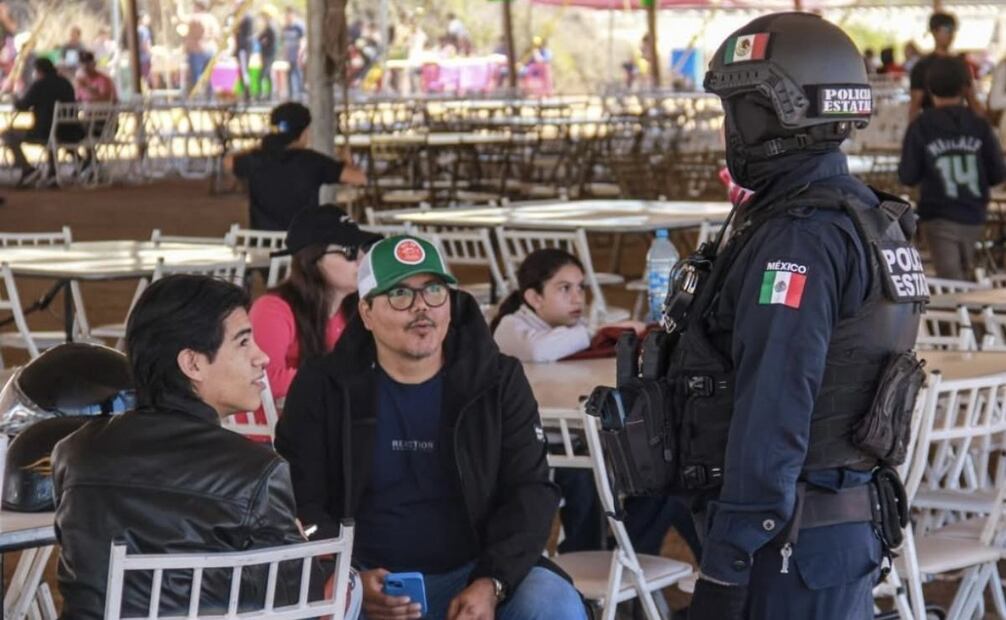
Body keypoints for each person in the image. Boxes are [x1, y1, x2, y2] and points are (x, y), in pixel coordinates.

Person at [683, 13, 924, 618]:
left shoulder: (800, 237)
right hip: (833, 532)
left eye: (738, 111)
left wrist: (729, 558)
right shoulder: (866, 218)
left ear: (781, 113)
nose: (729, 130)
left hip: (787, 540)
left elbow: (775, 401)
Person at [276, 235, 588, 620]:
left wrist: (492, 581)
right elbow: (299, 496)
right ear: (367, 312)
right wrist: (344, 578)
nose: (421, 307)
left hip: (473, 571)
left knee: (552, 602)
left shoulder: (497, 381)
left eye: (434, 291)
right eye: (400, 294)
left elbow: (530, 490)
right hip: (363, 578)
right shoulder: (323, 386)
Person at [51, 274, 341, 619]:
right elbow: (302, 604)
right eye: (243, 342)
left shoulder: (74, 453)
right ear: (192, 363)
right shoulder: (256, 471)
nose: (262, 357)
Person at [249, 205, 381, 419]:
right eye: (349, 251)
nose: (361, 260)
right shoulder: (273, 309)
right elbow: (265, 379)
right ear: (312, 260)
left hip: (326, 422)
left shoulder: (356, 309)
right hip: (270, 431)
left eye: (362, 249)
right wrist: (344, 378)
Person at [899, 56, 1006, 281]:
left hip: (938, 213)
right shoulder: (979, 125)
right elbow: (997, 174)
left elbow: (908, 175)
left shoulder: (921, 126)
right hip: (975, 213)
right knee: (968, 275)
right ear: (965, 88)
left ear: (929, 89)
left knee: (951, 282)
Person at [491, 248, 645, 362]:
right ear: (535, 298)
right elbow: (538, 351)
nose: (577, 299)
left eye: (580, 287)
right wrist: (598, 331)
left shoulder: (575, 324)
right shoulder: (509, 326)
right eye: (565, 288)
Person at [231, 102, 366, 231]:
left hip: (262, 244)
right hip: (302, 244)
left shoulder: (254, 159)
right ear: (302, 133)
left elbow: (228, 162)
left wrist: (259, 147)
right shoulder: (313, 161)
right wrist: (347, 163)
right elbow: (359, 178)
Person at [2, 57, 77, 185]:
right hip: (68, 131)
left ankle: (26, 168)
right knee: (52, 129)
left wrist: (14, 98)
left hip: (43, 133)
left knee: (7, 134)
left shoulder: (39, 85)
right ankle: (52, 170)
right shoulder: (66, 83)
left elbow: (22, 106)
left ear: (39, 71)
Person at [908, 12, 984, 122]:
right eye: (947, 29)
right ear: (934, 32)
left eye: (953, 30)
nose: (951, 34)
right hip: (932, 124)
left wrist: (985, 125)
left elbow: (972, 100)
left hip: (958, 123)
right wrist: (914, 129)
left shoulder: (960, 64)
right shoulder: (921, 67)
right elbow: (915, 106)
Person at [183, 0, 219, 98]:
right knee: (209, 76)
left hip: (197, 50)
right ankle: (210, 98)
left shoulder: (195, 18)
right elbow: (217, 34)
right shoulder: (212, 19)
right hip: (211, 49)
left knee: (196, 76)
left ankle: (197, 98)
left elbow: (183, 20)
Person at [280, 7, 305, 99]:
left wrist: (300, 52)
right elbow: (283, 42)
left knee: (297, 73)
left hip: (297, 54)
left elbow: (302, 40)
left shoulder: (298, 27)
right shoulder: (285, 28)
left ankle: (300, 93)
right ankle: (290, 94)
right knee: (289, 74)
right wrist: (284, 53)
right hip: (288, 54)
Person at [234, 1, 254, 102]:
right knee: (242, 71)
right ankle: (245, 93)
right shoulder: (240, 16)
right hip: (240, 47)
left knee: (244, 70)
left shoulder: (246, 17)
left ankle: (248, 94)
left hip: (244, 48)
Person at [256, 11, 277, 101]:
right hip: (265, 54)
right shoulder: (266, 29)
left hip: (269, 55)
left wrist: (264, 42)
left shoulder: (271, 29)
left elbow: (270, 42)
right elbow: (259, 38)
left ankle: (263, 94)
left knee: (263, 74)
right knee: (267, 75)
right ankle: (268, 94)